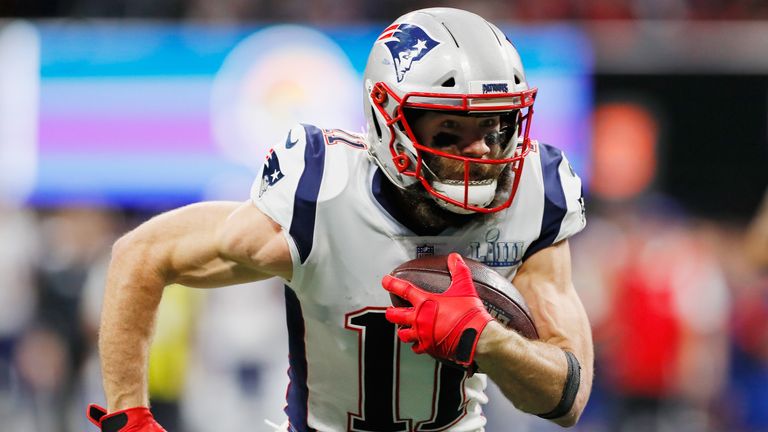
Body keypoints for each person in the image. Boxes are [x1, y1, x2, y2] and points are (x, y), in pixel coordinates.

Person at [87, 7, 594, 432]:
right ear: (390, 123)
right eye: (450, 130)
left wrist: (487, 340)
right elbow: (142, 254)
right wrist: (128, 409)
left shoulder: (535, 192)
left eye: (494, 125)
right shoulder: (321, 193)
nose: (480, 151)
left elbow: (567, 398)